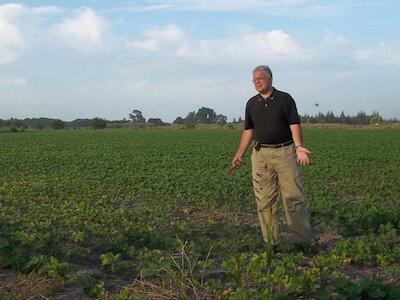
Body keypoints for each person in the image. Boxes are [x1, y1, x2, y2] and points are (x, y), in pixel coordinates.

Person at [231, 65, 313, 246]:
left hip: (285, 153)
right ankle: (271, 244)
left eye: (260, 78)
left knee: (294, 198)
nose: (257, 82)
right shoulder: (251, 103)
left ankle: (303, 243)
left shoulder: (285, 99)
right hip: (261, 155)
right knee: (264, 201)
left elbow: (294, 124)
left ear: (270, 78)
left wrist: (299, 146)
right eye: (254, 80)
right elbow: (248, 131)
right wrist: (239, 155)